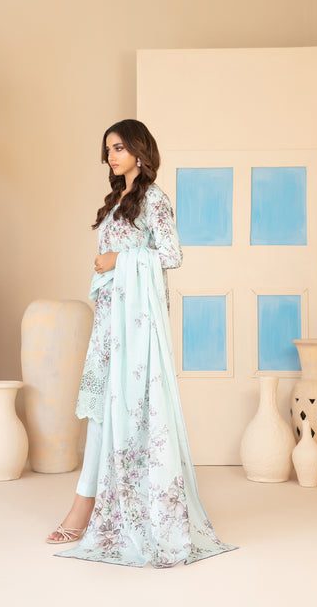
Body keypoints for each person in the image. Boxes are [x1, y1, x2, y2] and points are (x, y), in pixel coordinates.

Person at [47, 119, 237, 567]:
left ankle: (87, 511)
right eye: (108, 150)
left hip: (137, 324)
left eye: (118, 148)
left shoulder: (154, 198)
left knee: (129, 410)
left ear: (139, 150)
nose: (111, 156)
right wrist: (109, 267)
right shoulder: (117, 200)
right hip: (111, 320)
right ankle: (90, 506)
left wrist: (118, 259)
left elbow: (171, 254)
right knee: (103, 410)